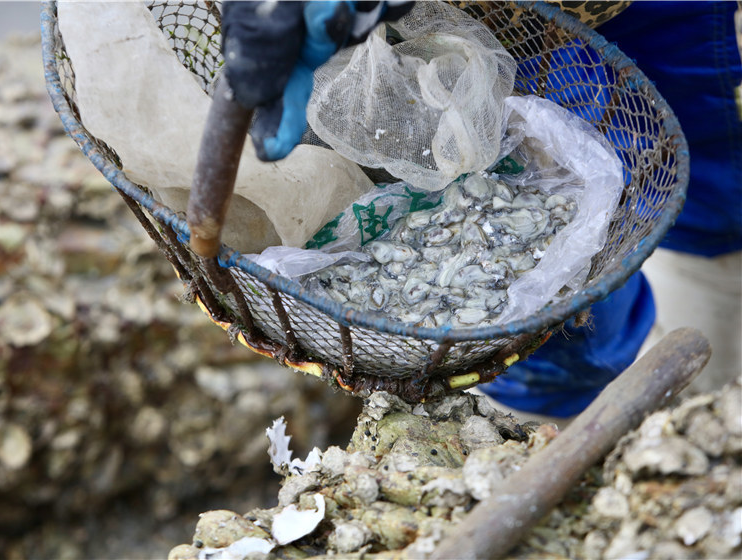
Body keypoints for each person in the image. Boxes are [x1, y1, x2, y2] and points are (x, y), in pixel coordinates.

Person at [221, 1, 742, 419]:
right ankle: (563, 433)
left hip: (672, 15)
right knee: (569, 336)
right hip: (503, 25)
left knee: (711, 182)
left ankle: (706, 407)